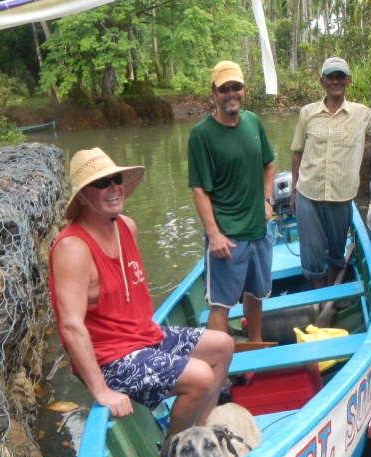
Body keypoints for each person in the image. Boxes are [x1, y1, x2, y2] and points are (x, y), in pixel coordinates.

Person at [48, 147, 233, 435]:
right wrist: (101, 391)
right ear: (82, 196)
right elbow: (71, 327)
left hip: (142, 337)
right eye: (102, 183)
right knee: (200, 377)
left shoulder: (127, 227)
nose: (114, 188)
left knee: (223, 345)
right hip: (109, 358)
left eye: (117, 179)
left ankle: (199, 431)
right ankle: (174, 450)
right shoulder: (73, 248)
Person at [290, 56, 371, 288]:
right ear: (322, 82)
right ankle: (322, 296)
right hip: (308, 193)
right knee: (311, 253)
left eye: (340, 77)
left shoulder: (361, 114)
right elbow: (297, 152)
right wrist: (293, 192)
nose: (336, 81)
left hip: (341, 196)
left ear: (348, 81)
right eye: (331, 77)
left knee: (336, 251)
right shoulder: (307, 113)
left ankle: (332, 289)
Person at [187, 60, 276, 342]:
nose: (231, 94)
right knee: (221, 303)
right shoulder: (202, 135)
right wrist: (214, 235)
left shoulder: (252, 122)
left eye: (236, 87)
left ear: (244, 89)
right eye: (224, 89)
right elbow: (199, 190)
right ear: (214, 93)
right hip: (227, 237)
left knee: (256, 294)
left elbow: (269, 164)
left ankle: (256, 344)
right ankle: (218, 362)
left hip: (258, 231)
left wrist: (267, 200)